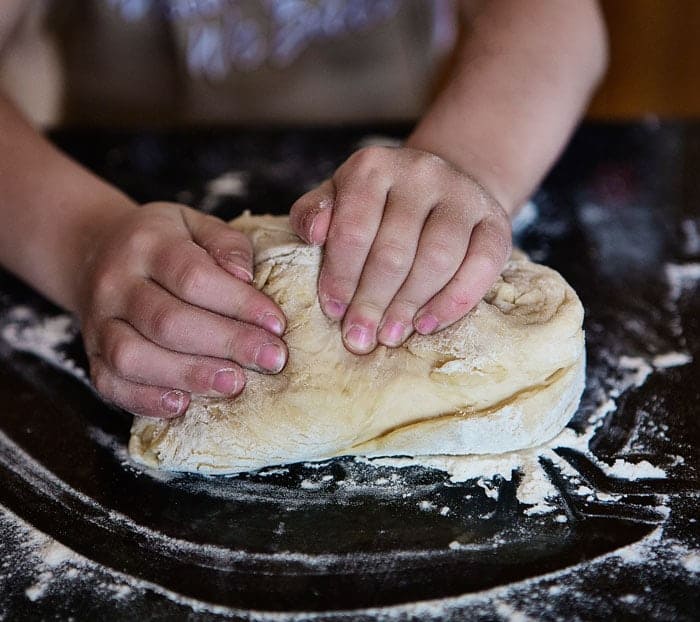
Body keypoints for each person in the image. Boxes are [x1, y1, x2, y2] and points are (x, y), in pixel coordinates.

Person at [0, 1, 608, 419]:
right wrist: (82, 239)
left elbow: (552, 19)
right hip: (103, 188)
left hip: (407, 165)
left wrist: (471, 164)